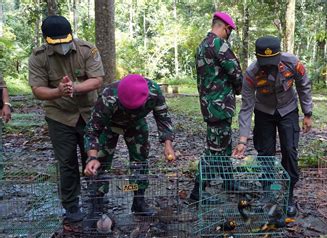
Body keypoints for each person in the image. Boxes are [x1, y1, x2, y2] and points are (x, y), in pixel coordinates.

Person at [28, 15, 104, 223]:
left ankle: (97, 198)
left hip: (88, 114)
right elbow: (37, 89)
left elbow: (97, 80)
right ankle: (71, 204)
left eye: (65, 40)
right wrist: (59, 91)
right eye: (56, 42)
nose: (62, 46)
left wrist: (75, 88)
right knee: (67, 162)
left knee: (94, 157)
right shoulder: (38, 57)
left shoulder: (87, 50)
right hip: (59, 116)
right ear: (46, 40)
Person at [232, 36, 313, 217]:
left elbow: (303, 86)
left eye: (272, 61)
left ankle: (288, 194)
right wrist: (242, 140)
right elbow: (246, 107)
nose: (268, 66)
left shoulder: (293, 63)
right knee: (265, 153)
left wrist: (308, 113)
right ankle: (267, 192)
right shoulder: (251, 73)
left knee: (290, 150)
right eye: (264, 62)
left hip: (288, 110)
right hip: (264, 112)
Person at [83, 74, 175, 217]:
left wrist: (167, 144)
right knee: (100, 163)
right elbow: (92, 131)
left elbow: (163, 118)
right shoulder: (108, 97)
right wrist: (92, 157)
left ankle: (139, 201)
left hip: (136, 124)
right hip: (110, 125)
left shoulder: (154, 91)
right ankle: (97, 201)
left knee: (140, 162)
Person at [190, 11, 243, 202]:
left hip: (210, 105)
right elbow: (235, 72)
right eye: (229, 31)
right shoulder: (219, 44)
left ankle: (228, 182)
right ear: (224, 28)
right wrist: (239, 88)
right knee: (214, 150)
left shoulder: (202, 45)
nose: (229, 34)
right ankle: (197, 192)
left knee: (224, 145)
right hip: (220, 106)